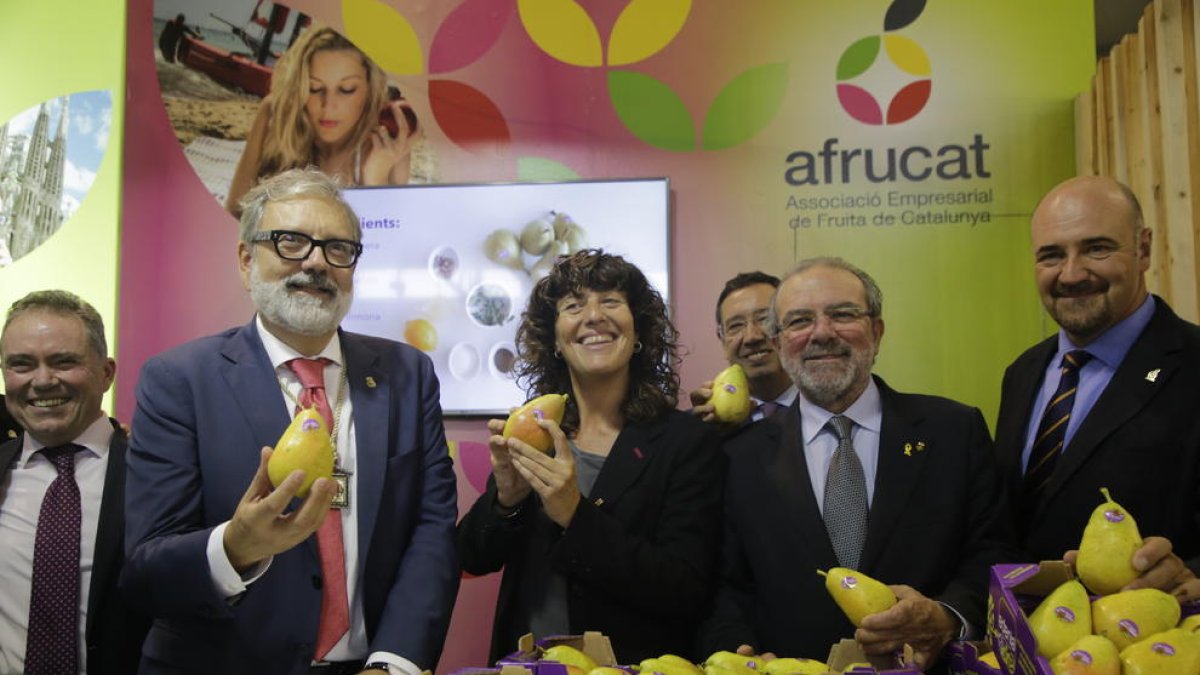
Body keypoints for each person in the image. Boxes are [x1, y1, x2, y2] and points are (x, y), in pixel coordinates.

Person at [121, 168, 459, 674]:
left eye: (338, 248)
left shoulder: (407, 374)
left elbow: (431, 530)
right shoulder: (178, 380)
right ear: (245, 258)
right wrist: (234, 548)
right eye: (291, 242)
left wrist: (395, 661)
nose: (317, 262)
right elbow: (145, 570)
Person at [701, 257, 1017, 671]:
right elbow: (724, 585)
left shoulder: (954, 431)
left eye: (843, 314)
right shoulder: (737, 456)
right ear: (779, 342)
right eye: (799, 321)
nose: (822, 333)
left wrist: (946, 616)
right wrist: (740, 648)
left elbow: (992, 553)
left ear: (877, 330)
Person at [458, 249, 725, 664]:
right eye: (573, 306)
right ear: (556, 342)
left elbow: (684, 588)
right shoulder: (536, 430)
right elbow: (473, 556)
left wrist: (573, 514)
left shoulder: (685, 441)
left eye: (612, 301)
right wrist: (506, 500)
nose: (594, 316)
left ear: (639, 334)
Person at [994, 175, 1200, 597]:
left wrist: (1192, 575)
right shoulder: (1022, 373)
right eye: (1051, 255)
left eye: (1096, 248)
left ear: (1143, 249)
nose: (1071, 274)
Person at [0, 290, 147, 674]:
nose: (43, 381)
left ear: (107, 373)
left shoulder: (155, 472)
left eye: (64, 362)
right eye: (21, 364)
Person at [226, 25, 418, 215]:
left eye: (347, 89)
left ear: (370, 89)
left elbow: (389, 239)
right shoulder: (275, 114)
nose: (328, 105)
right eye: (314, 88)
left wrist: (376, 179)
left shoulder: (388, 145)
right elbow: (235, 210)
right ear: (299, 87)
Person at [691, 272, 796, 424]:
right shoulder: (707, 423)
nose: (752, 337)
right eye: (736, 325)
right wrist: (701, 437)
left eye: (765, 319)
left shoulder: (830, 409)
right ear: (722, 340)